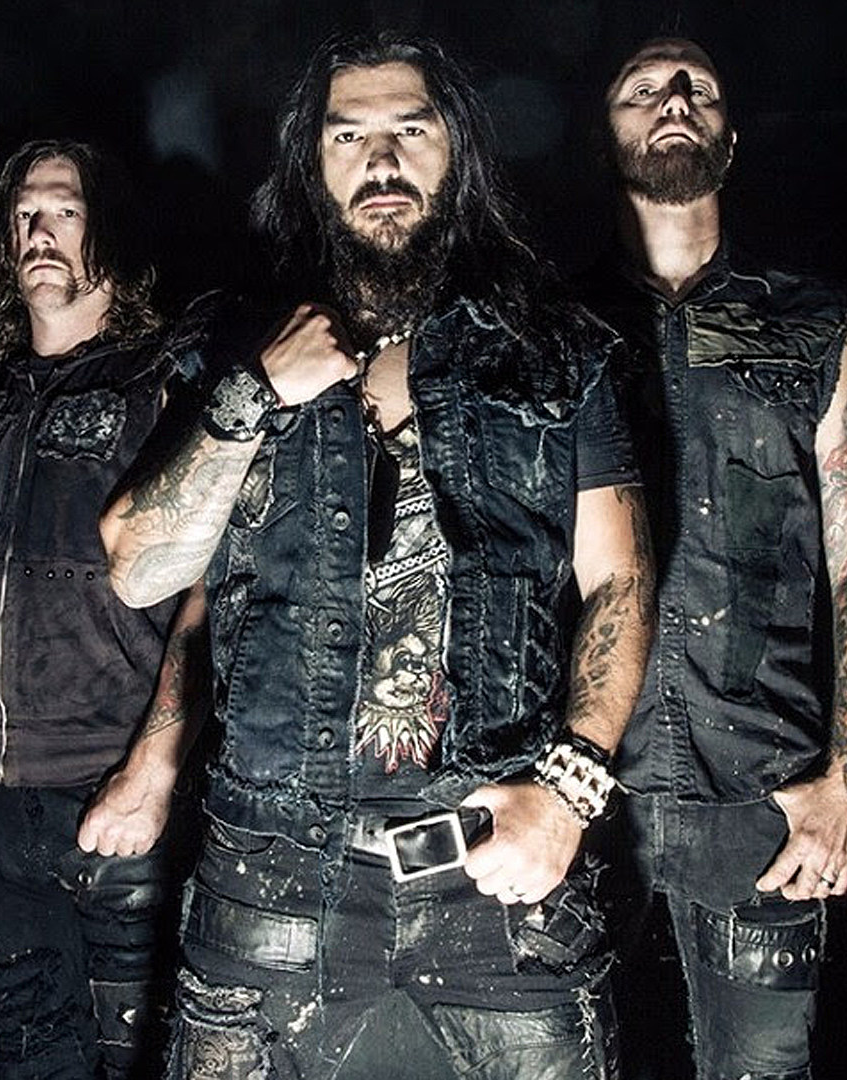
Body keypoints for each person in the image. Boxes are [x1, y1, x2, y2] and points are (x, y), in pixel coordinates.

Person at [100, 31, 655, 1080]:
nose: (383, 159)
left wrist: (569, 794)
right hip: (273, 860)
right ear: (311, 163)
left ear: (459, 151)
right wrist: (257, 392)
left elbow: (618, 578)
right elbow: (138, 568)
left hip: (500, 849)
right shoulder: (232, 346)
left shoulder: (554, 351)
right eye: (348, 135)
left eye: (412, 129)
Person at [582, 37, 847, 1080]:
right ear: (607, 133)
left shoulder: (812, 323)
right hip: (585, 799)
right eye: (643, 89)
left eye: (700, 89)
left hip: (765, 801)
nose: (674, 100)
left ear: (730, 138)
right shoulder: (554, 323)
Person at [0, 139, 206, 1079]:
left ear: (108, 231)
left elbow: (212, 592)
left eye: (65, 211)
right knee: (29, 1062)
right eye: (24, 214)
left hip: (118, 803)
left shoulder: (168, 384)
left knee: (148, 1059)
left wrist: (153, 772)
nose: (40, 231)